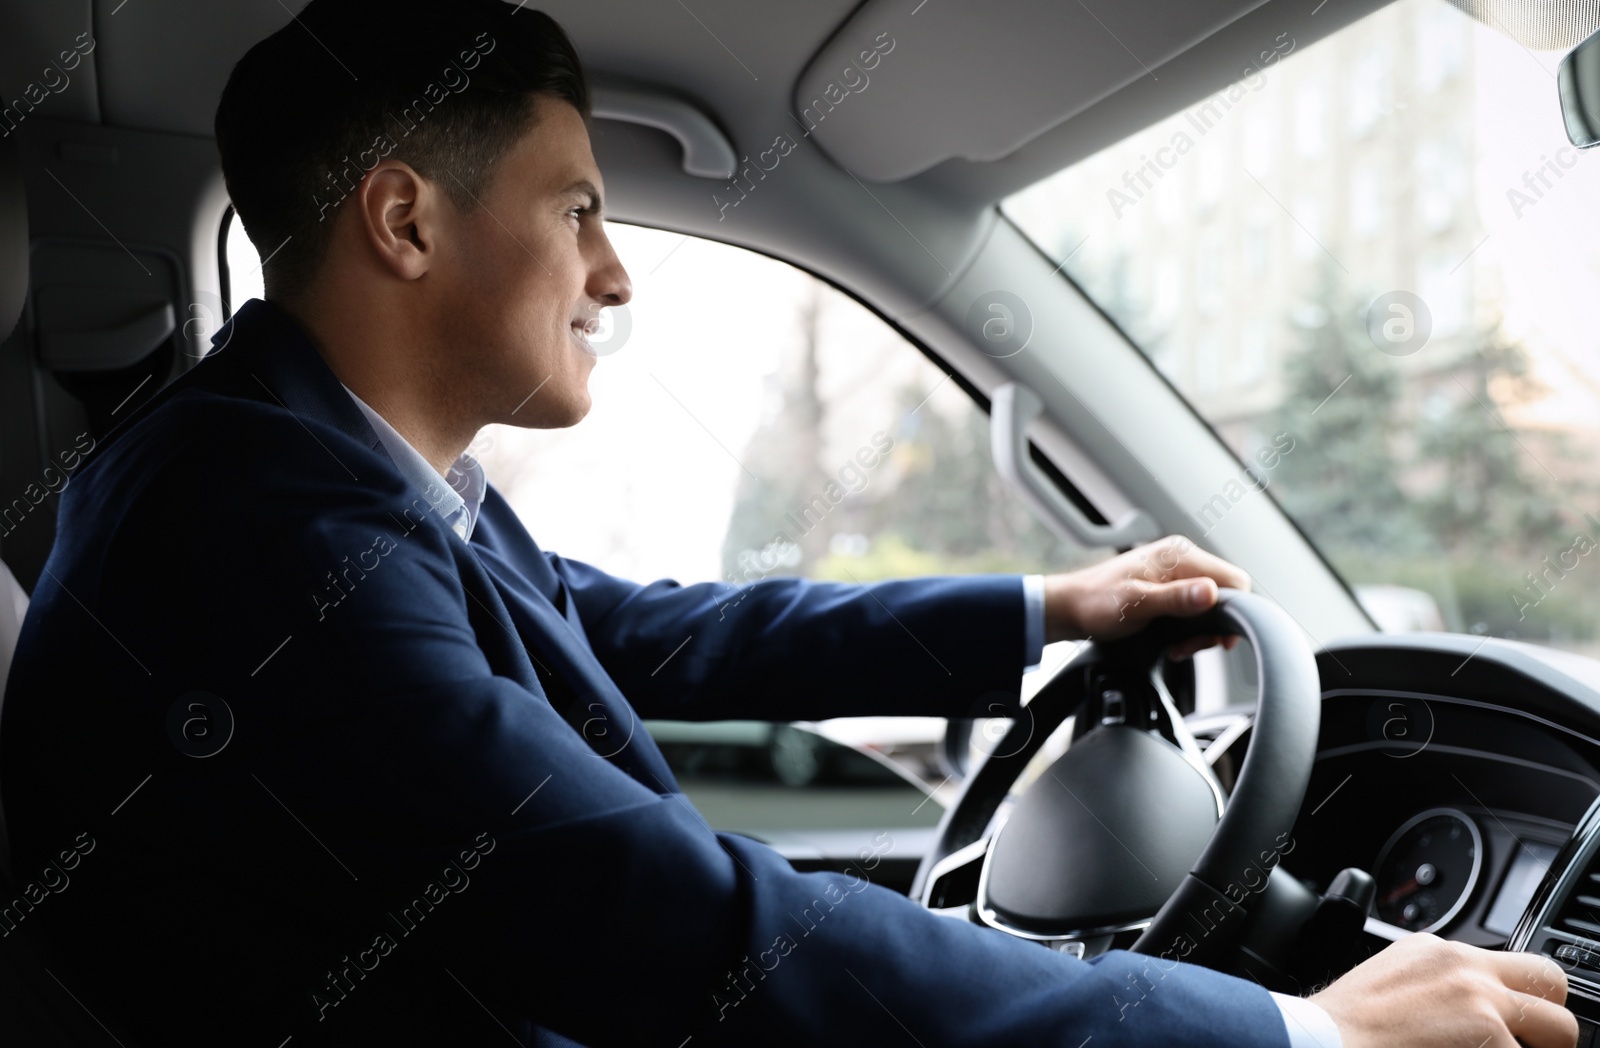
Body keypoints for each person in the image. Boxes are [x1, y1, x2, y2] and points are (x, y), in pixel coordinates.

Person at [0, 2, 1577, 1046]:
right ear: (406, 220)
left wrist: (1046, 610)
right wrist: (1310, 1030)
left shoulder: (307, 467)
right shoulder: (262, 532)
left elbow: (644, 631)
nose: (613, 274)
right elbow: (663, 920)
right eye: (577, 209)